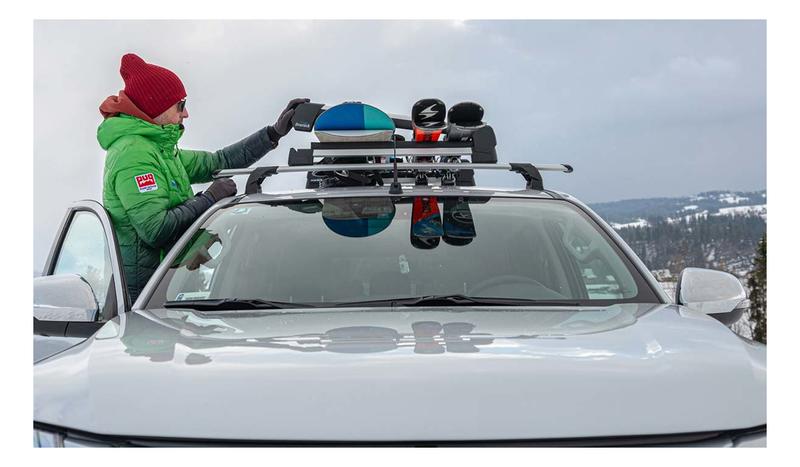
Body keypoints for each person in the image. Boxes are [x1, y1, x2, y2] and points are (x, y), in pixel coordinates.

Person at [98, 53, 308, 302]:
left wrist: (272, 134)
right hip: (141, 300)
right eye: (180, 105)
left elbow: (218, 162)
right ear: (156, 107)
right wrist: (208, 199)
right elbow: (155, 230)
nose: (185, 113)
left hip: (163, 290)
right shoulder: (134, 155)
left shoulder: (160, 150)